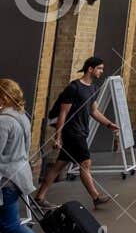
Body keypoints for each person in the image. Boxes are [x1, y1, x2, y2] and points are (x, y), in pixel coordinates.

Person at [33, 57, 117, 210]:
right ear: (90, 69)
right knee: (85, 163)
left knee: (59, 166)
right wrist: (58, 137)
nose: (101, 72)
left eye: (102, 69)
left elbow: (94, 111)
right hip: (72, 132)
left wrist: (108, 124)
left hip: (82, 131)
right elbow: (63, 113)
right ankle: (96, 197)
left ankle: (39, 197)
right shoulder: (74, 88)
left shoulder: (93, 88)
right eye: (99, 68)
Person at [0, 79, 57, 233]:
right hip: (18, 175)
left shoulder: (4, 121)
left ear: (4, 97)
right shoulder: (21, 116)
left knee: (9, 225)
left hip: (6, 179)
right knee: (9, 223)